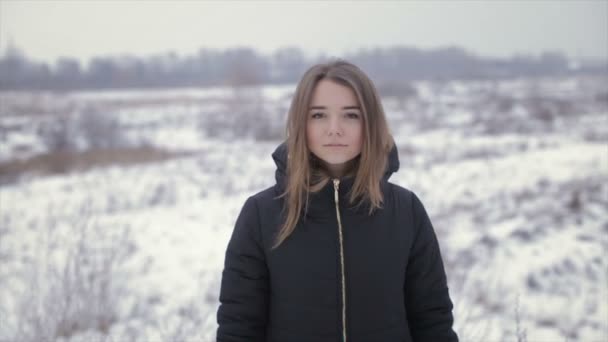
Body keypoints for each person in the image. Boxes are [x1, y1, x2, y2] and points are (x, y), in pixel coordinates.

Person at [216, 60, 458, 342]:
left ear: (370, 123)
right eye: (318, 115)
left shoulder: (406, 211)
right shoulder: (261, 214)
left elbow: (433, 320)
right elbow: (238, 327)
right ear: (300, 123)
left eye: (351, 115)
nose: (334, 129)